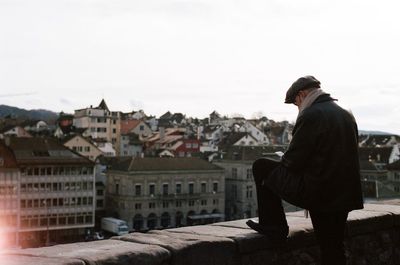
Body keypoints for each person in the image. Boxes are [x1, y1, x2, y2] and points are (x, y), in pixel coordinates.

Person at [246, 76, 363, 265]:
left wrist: (284, 157)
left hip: (320, 193)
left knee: (261, 166)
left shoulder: (311, 115)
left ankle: (274, 226)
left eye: (295, 103)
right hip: (345, 193)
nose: (298, 107)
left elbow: (293, 161)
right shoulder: (346, 113)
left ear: (301, 95)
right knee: (333, 246)